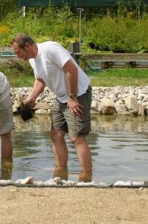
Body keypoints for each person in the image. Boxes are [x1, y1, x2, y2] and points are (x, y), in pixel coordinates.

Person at [11, 33, 93, 181]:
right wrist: (32, 97)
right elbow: (40, 79)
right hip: (61, 98)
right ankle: (60, 173)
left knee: (76, 138)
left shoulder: (50, 49)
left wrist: (72, 98)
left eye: (18, 52)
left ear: (27, 46)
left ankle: (86, 177)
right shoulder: (32, 59)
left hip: (78, 94)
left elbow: (71, 69)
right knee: (56, 134)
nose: (17, 56)